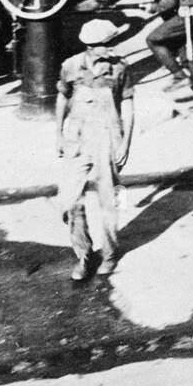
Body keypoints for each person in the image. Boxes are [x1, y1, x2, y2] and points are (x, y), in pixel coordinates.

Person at [56, 19, 135, 280]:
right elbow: (62, 98)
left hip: (106, 138)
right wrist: (58, 134)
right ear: (94, 47)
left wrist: (124, 142)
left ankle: (110, 254)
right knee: (70, 202)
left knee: (107, 200)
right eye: (109, 44)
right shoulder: (71, 67)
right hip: (77, 138)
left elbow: (129, 107)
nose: (114, 47)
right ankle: (84, 254)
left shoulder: (121, 68)